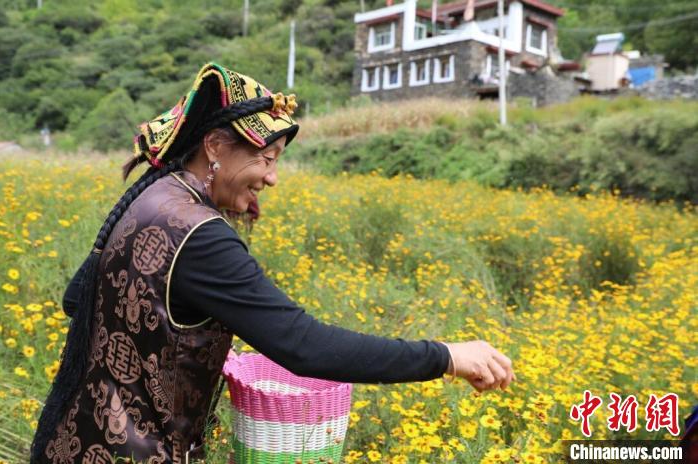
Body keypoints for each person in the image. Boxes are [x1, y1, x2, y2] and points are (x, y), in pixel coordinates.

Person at [31, 63, 515, 464]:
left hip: (75, 441)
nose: (273, 178)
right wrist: (446, 356)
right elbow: (304, 347)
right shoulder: (202, 235)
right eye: (266, 158)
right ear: (215, 147)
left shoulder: (154, 195)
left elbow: (78, 298)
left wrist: (177, 346)